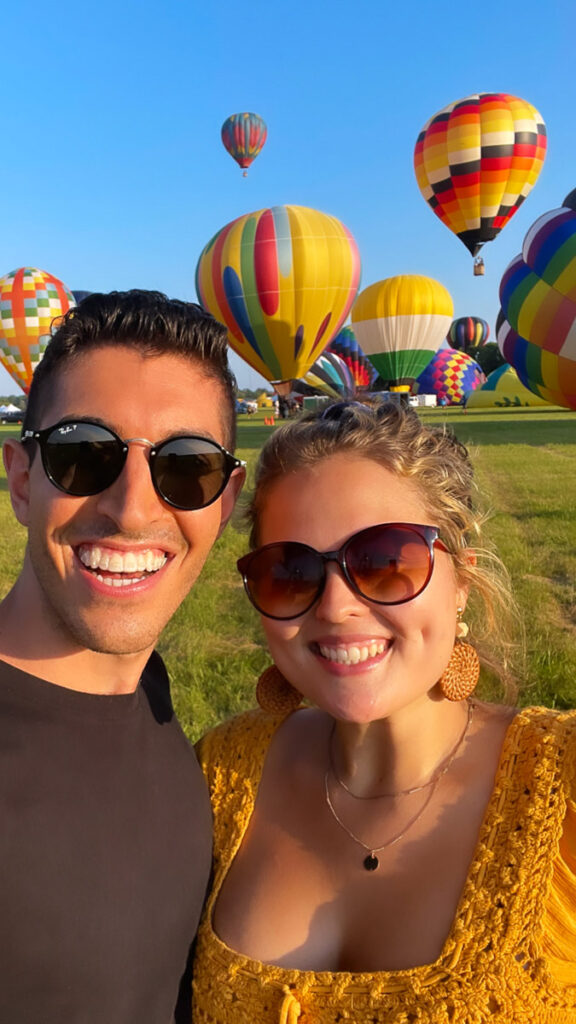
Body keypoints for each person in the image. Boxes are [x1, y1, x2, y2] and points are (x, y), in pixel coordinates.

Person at [193, 399, 576, 1023]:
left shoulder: (561, 785)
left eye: (387, 561)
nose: (337, 606)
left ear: (461, 584)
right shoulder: (220, 773)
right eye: (290, 571)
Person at [0, 290, 245, 1023]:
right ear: (20, 478)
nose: (134, 508)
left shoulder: (172, 722)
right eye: (83, 454)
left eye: (188, 466)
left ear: (226, 503)